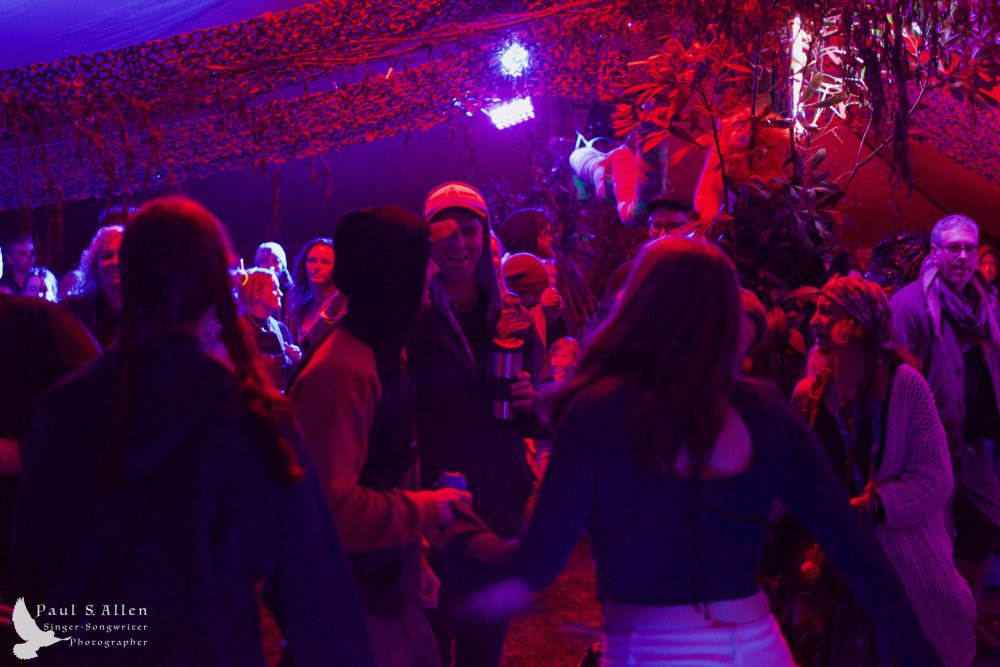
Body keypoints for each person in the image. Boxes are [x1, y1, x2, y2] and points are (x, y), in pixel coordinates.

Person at [472, 237, 941, 667]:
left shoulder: (599, 410)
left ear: (638, 305)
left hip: (649, 648)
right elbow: (856, 552)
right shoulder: (764, 413)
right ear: (725, 316)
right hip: (754, 647)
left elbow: (538, 563)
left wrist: (462, 537)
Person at [11, 197, 373, 666]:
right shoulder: (251, 417)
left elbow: (31, 566)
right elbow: (317, 597)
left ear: (129, 280)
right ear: (217, 288)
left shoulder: (63, 409)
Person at [289, 206, 470, 667]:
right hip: (348, 606)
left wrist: (416, 559)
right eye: (421, 261)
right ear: (394, 277)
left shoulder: (384, 353)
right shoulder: (341, 373)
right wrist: (427, 509)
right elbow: (329, 511)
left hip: (386, 586)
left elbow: (386, 473)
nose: (433, 273)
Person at [790, 277, 975, 666]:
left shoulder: (905, 387)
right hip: (830, 563)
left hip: (897, 562)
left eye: (828, 312)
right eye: (817, 310)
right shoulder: (811, 393)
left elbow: (935, 478)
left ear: (858, 323)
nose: (815, 321)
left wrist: (877, 506)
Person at [414, 182, 538, 667]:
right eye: (444, 233)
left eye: (469, 231)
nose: (459, 244)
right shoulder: (414, 317)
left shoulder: (511, 315)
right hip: (437, 490)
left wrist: (532, 401)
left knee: (485, 636)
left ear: (485, 237)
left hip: (499, 490)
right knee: (434, 628)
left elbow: (541, 403)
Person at [891, 214, 1000, 648]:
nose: (963, 256)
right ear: (935, 253)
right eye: (953, 247)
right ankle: (937, 628)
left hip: (974, 442)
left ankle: (963, 615)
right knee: (933, 541)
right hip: (930, 445)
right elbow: (900, 374)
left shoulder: (987, 303)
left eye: (969, 247)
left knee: (985, 527)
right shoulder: (911, 304)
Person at [59, 222, 124, 349]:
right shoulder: (74, 310)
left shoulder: (146, 310)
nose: (115, 262)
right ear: (95, 266)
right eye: (107, 256)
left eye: (122, 255)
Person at [236, 267, 300, 389]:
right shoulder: (238, 330)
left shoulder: (280, 329)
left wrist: (296, 360)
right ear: (257, 293)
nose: (280, 293)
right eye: (275, 288)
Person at [285, 238, 346, 351]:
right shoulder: (303, 307)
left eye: (325, 262)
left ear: (336, 268)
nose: (317, 267)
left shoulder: (342, 305)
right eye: (312, 260)